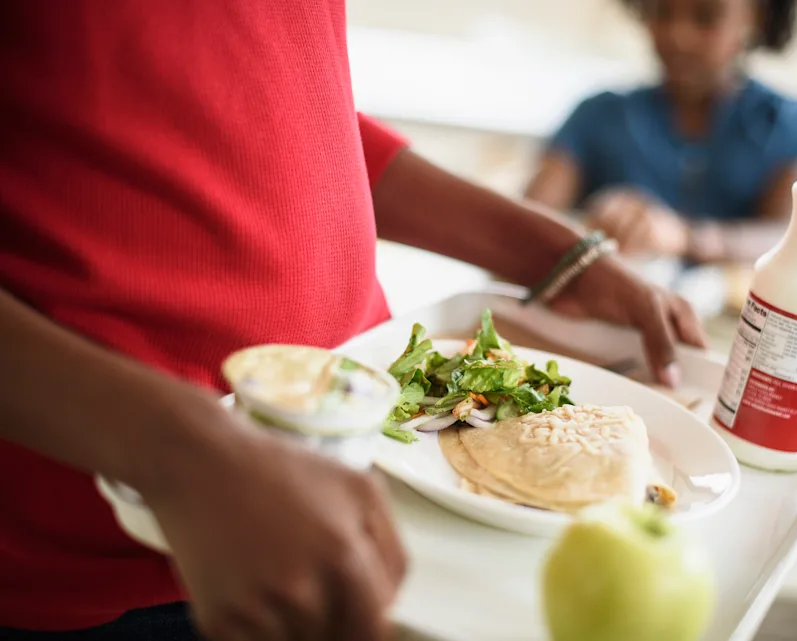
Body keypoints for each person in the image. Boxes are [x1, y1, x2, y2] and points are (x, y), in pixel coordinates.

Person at [0, 2, 706, 640]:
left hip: (371, 476)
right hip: (113, 547)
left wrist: (556, 252)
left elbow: (292, 118)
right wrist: (177, 449)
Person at [525, 0, 797, 264]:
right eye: (662, 11)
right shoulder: (598, 115)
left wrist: (685, 237)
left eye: (707, 16)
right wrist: (588, 221)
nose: (678, 36)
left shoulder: (789, 124)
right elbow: (527, 220)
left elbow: (791, 239)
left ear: (757, 17)